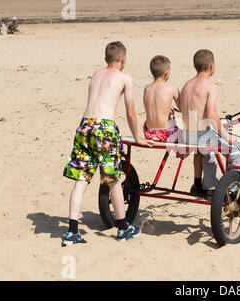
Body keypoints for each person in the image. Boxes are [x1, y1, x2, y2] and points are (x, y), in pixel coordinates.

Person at [62, 41, 152, 246]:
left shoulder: (96, 74)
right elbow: (130, 111)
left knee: (82, 179)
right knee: (112, 180)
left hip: (85, 126)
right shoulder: (124, 77)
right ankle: (122, 227)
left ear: (105, 59)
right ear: (124, 59)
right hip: (104, 128)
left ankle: (72, 231)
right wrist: (137, 135)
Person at [180, 49, 240, 196]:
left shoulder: (186, 86)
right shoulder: (211, 86)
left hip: (188, 135)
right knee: (238, 149)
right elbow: (210, 115)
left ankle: (209, 186)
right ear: (212, 66)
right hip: (203, 136)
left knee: (207, 155)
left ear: (194, 65)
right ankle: (233, 191)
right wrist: (227, 135)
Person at [142, 55, 180, 143]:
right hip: (165, 135)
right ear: (166, 73)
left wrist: (167, 108)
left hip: (149, 133)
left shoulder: (147, 89)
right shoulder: (172, 89)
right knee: (190, 136)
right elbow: (183, 109)